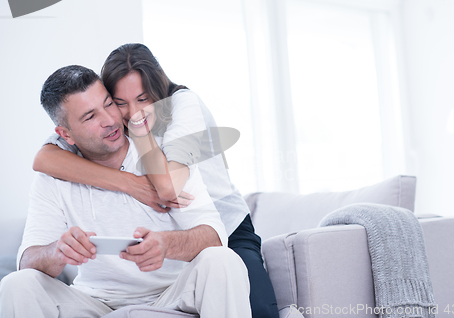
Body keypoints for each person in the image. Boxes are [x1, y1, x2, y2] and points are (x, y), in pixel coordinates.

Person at [33, 43, 279, 318]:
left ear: (158, 93)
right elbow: (44, 160)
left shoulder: (182, 107)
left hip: (226, 222)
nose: (130, 113)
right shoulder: (112, 128)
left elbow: (166, 188)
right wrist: (128, 182)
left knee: (256, 307)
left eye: (142, 99)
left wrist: (140, 135)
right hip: (189, 226)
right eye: (119, 102)